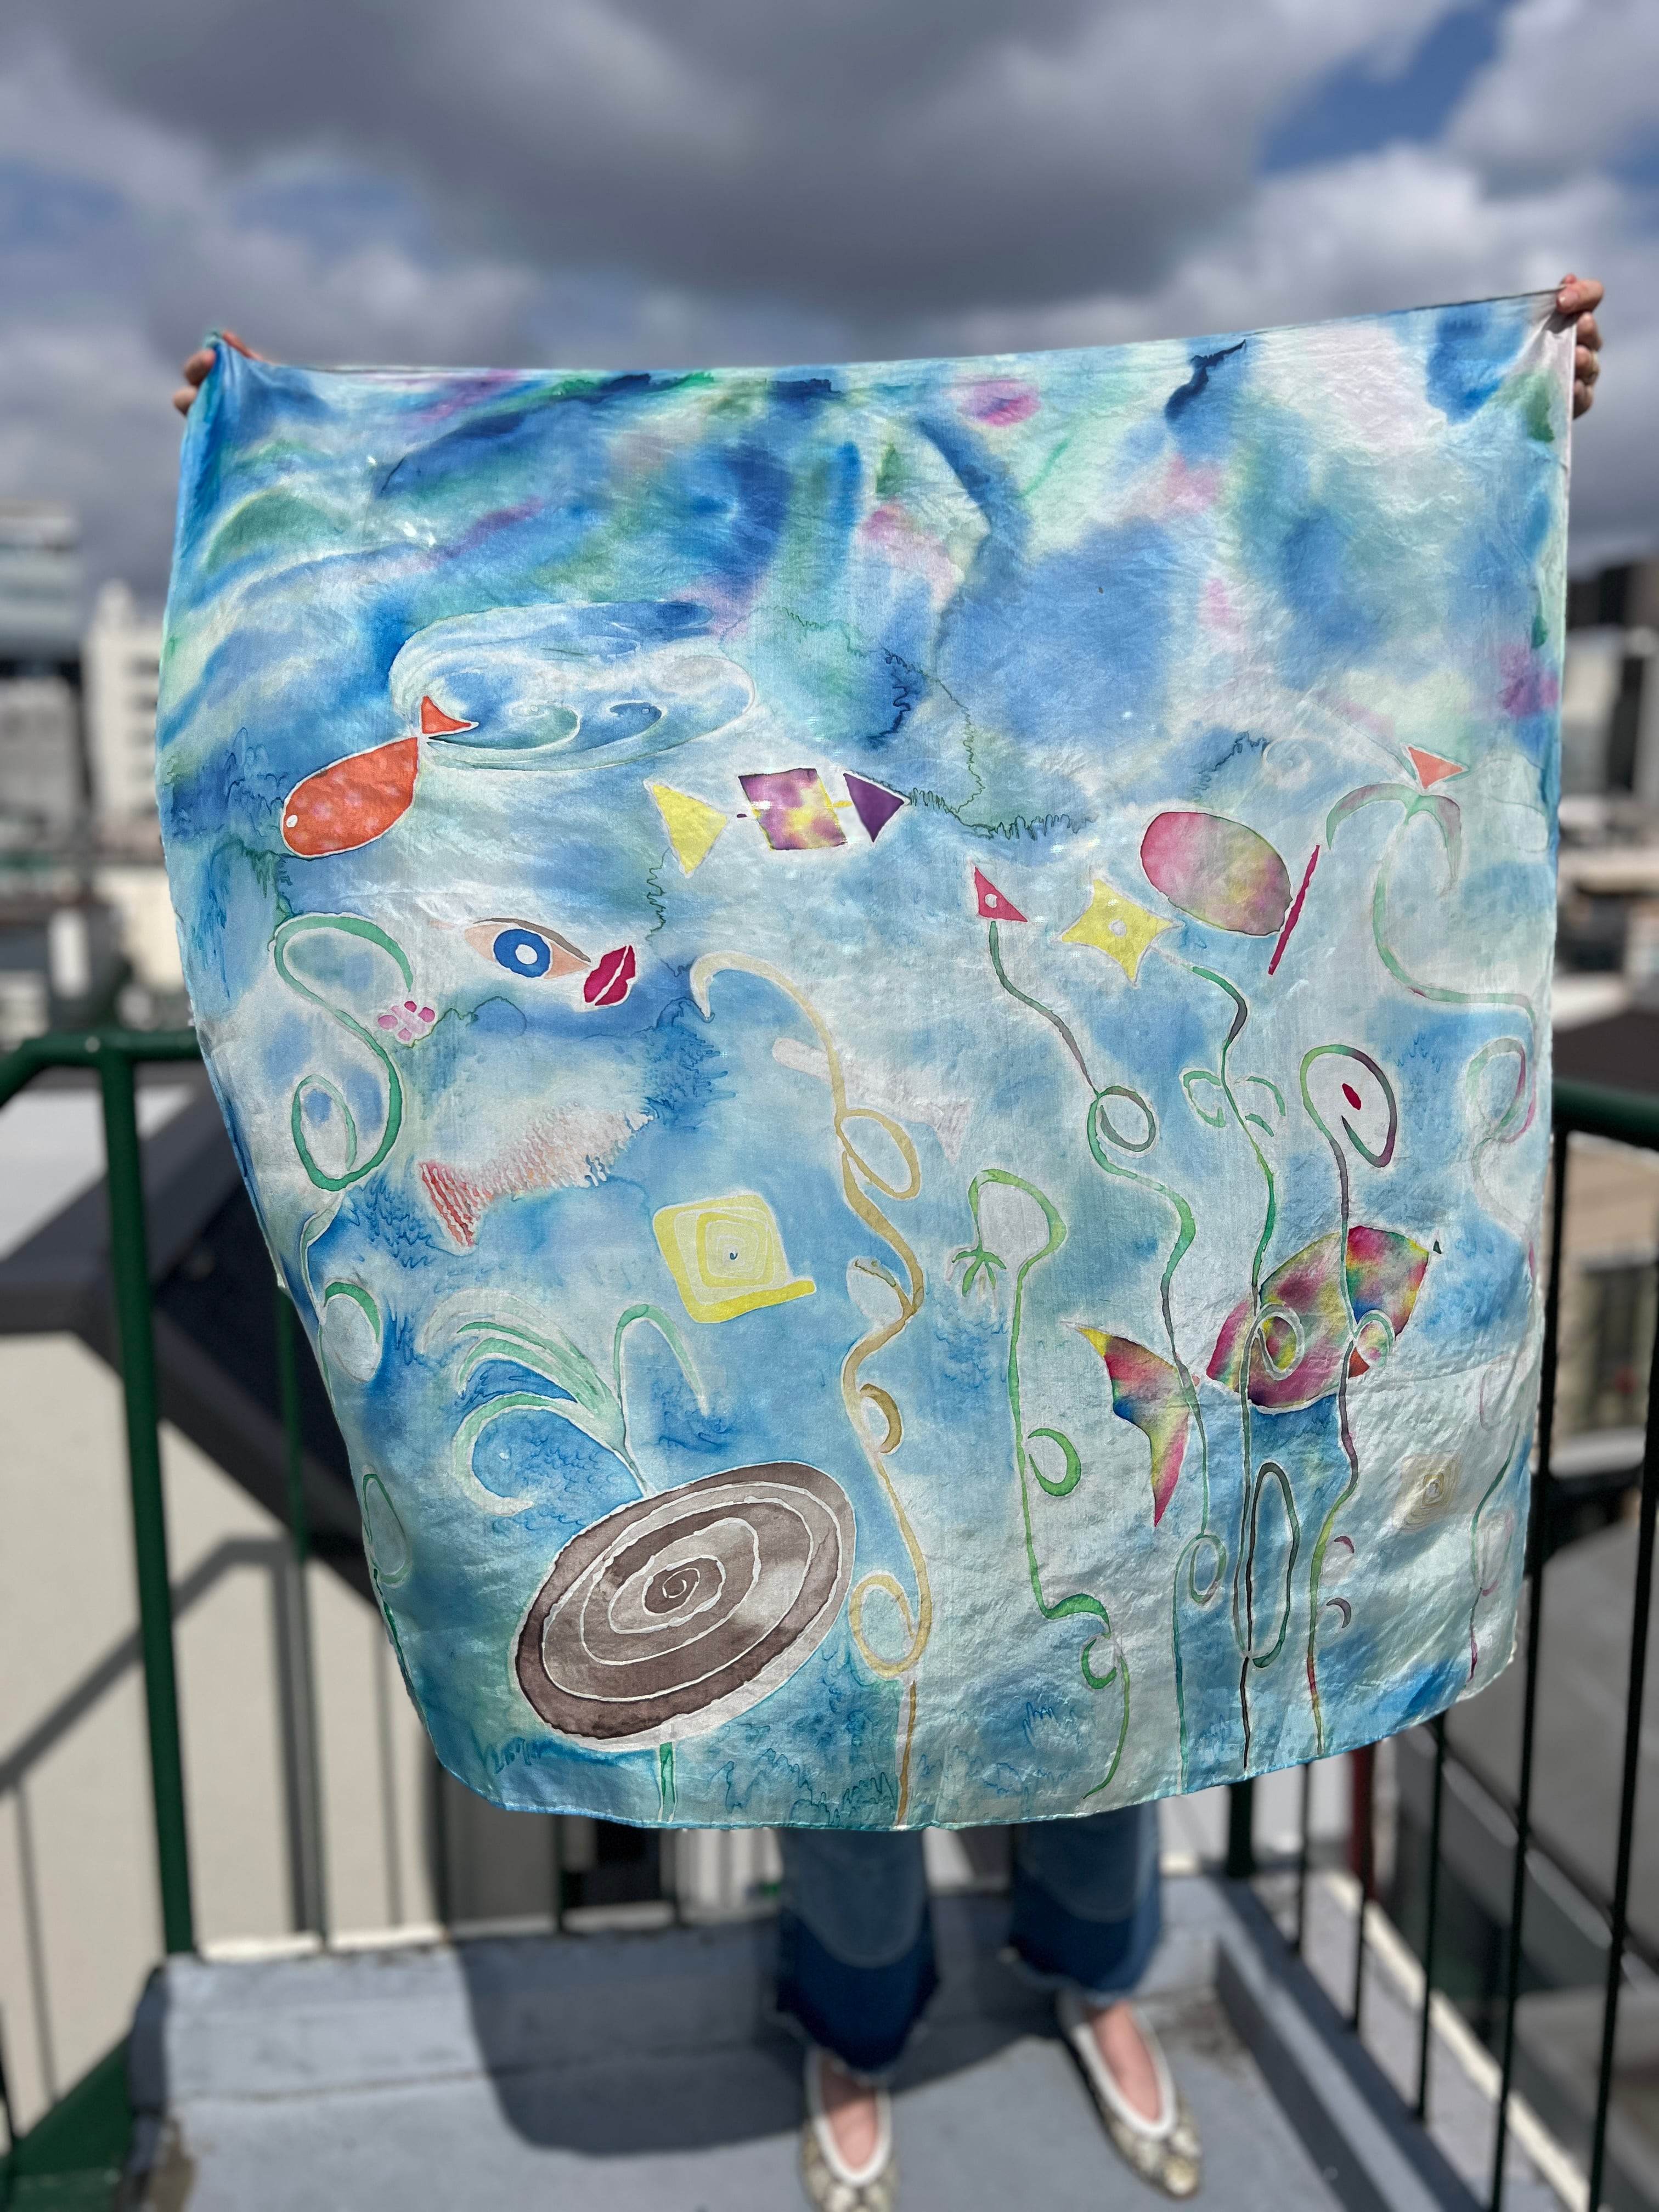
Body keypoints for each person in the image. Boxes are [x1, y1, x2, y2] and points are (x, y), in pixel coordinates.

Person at [174, 274, 1606, 2210]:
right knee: (840, 1677)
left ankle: (1093, 1977)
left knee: (1109, 1627)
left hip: (1076, 1230)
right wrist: (278, 451)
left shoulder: (1058, 796)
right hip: (814, 1252)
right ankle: (854, 2022)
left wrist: (1475, 406)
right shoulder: (766, 790)